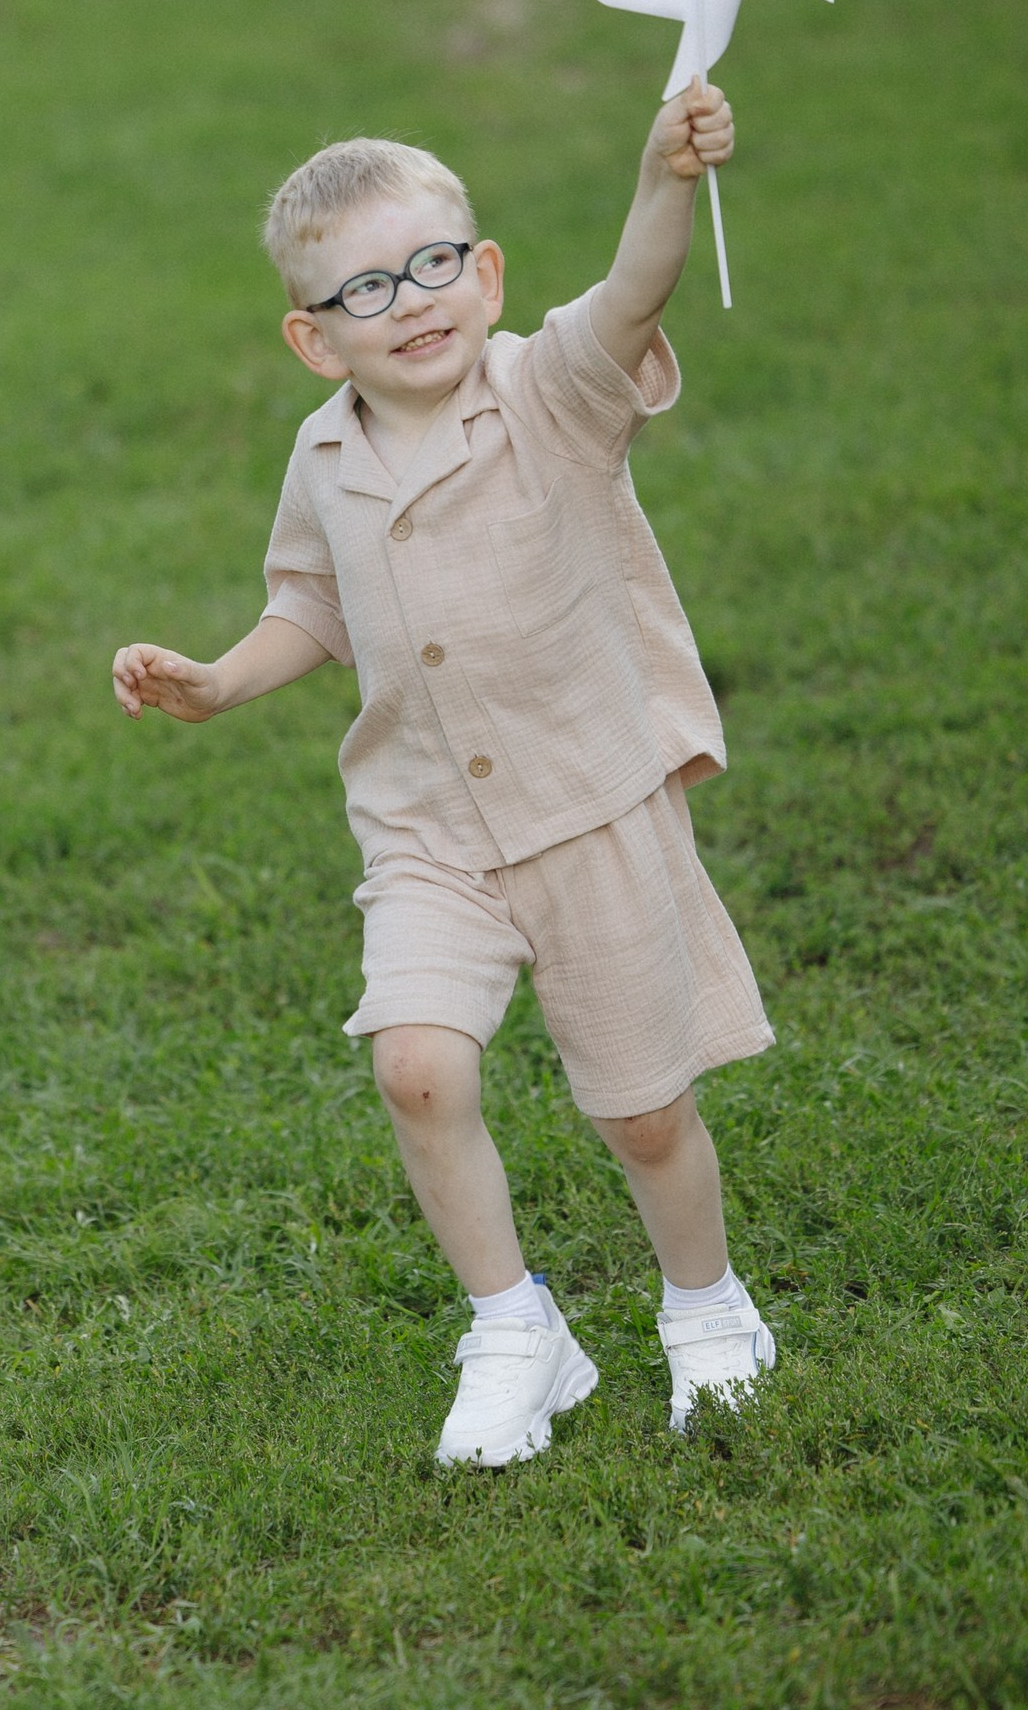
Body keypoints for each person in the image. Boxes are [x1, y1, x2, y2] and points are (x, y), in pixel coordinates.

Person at [111, 81, 776, 1465]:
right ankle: (516, 1329)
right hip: (426, 830)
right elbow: (317, 601)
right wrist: (224, 679)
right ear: (312, 338)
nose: (408, 302)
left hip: (588, 805)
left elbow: (636, 294)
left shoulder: (551, 391)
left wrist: (666, 172)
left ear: (483, 275)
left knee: (644, 1110)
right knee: (416, 1068)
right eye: (364, 289)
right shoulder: (326, 452)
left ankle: (708, 1309)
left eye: (429, 267)